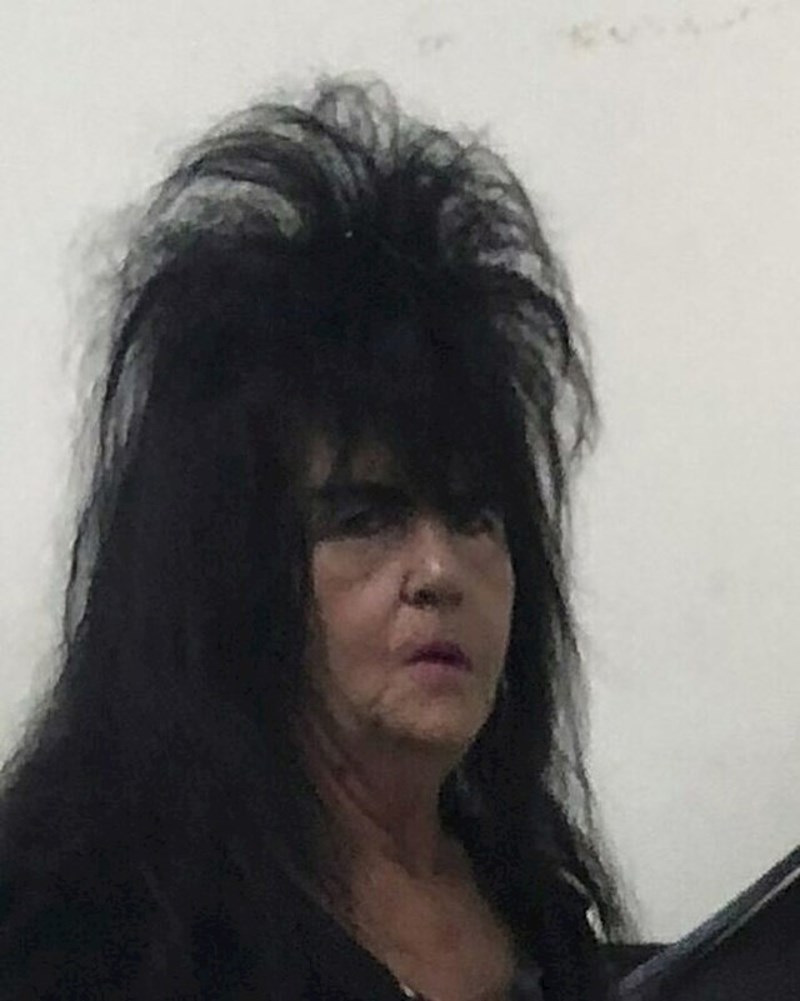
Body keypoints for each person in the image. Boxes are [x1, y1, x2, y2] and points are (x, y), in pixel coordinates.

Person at [0, 79, 629, 999]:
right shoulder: (92, 928)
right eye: (363, 518)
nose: (439, 571)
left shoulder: (535, 902)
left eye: (475, 516)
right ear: (227, 568)